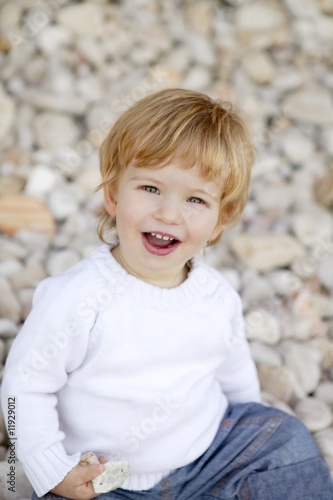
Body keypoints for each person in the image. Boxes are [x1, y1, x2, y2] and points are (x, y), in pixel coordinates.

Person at [1, 89, 332, 500]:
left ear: (218, 221)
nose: (169, 213)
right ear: (113, 194)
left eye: (196, 199)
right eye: (151, 188)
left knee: (285, 439)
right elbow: (22, 386)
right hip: (102, 482)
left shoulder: (216, 297)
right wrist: (51, 468)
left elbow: (233, 370)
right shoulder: (79, 298)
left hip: (207, 457)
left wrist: (247, 428)